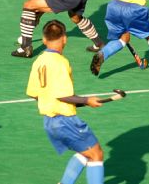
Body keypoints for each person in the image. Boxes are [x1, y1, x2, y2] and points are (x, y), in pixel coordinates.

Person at [26, 20, 105, 184]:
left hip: (49, 122)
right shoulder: (61, 62)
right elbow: (63, 95)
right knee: (96, 154)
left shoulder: (39, 61)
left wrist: (81, 102)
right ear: (64, 39)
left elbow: (34, 93)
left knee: (85, 152)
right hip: (65, 121)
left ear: (44, 39)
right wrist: (87, 100)